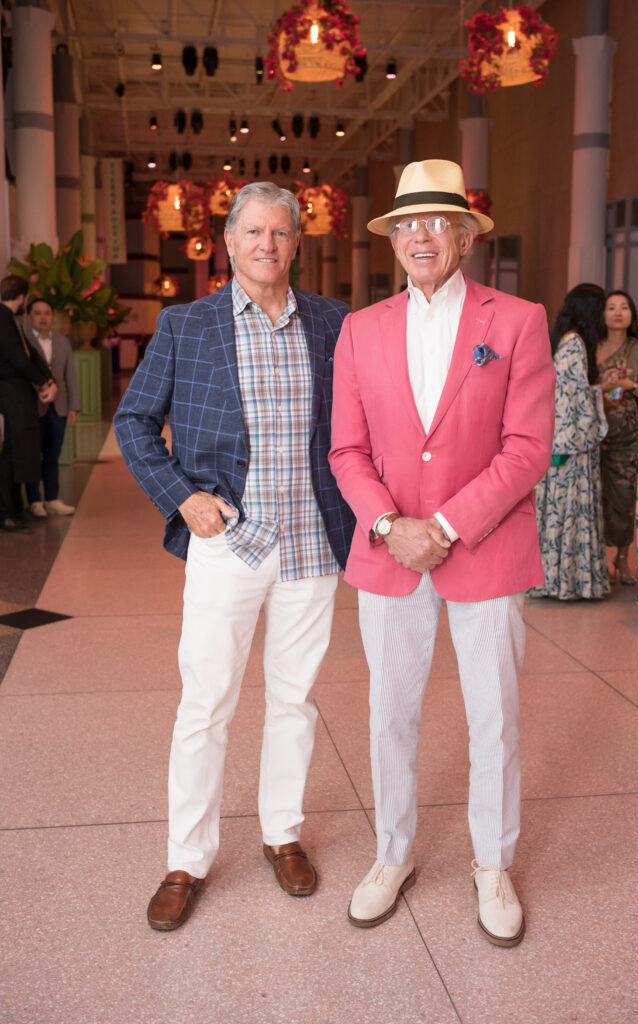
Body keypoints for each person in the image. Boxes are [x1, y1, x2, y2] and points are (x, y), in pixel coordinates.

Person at [114, 182, 354, 931]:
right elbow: (133, 420)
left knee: (295, 699)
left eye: (280, 232)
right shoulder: (186, 325)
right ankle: (186, 859)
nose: (266, 245)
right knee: (206, 704)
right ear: (228, 242)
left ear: (297, 243)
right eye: (253, 231)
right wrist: (181, 497)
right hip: (228, 543)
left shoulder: (334, 323)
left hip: (312, 543)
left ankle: (282, 835)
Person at [329, 160, 555, 946]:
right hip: (390, 553)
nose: (420, 236)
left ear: (464, 237)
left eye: (437, 223)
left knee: (494, 717)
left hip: (485, 549)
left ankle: (492, 864)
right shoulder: (360, 330)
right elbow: (347, 451)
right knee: (389, 714)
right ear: (393, 239)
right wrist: (392, 525)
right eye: (406, 224)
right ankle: (392, 855)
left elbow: (528, 448)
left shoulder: (517, 320)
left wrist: (448, 526)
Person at [528, 284, 609, 599]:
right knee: (569, 512)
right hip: (571, 445)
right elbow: (572, 400)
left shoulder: (565, 341)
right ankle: (566, 582)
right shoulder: (575, 345)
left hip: (563, 441)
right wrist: (598, 399)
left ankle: (559, 579)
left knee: (558, 514)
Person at [597, 290, 638, 584]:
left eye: (624, 307)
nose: (618, 312)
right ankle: (597, 562)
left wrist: (631, 384)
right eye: (611, 307)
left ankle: (621, 556)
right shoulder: (592, 347)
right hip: (592, 437)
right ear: (602, 314)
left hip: (627, 437)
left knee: (624, 498)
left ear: (632, 314)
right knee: (595, 499)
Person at [0, 276, 56, 533]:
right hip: (11, 391)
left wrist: (47, 379)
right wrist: (43, 383)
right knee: (13, 452)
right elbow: (18, 358)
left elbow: (29, 353)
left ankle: (16, 507)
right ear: (22, 296)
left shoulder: (10, 318)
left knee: (19, 450)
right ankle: (7, 513)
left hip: (18, 391)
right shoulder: (2, 318)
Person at [25, 298, 81, 517]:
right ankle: (34, 500)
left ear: (53, 317)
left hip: (58, 408)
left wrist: (73, 406)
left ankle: (52, 499)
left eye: (47, 313)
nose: (43, 317)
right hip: (32, 407)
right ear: (29, 316)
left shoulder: (62, 341)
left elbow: (70, 376)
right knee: (32, 455)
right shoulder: (24, 340)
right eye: (37, 313)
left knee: (52, 455)